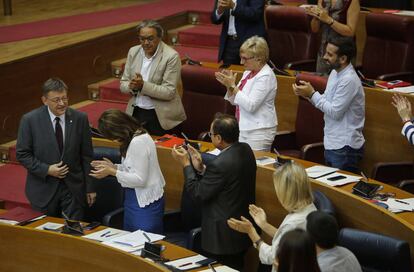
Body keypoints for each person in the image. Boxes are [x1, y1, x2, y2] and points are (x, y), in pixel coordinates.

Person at [171, 113, 256, 270]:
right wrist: (201, 168)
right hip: (242, 230)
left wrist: (186, 165)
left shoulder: (220, 164)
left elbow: (197, 194)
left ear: (218, 138)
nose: (209, 136)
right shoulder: (246, 150)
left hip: (223, 236)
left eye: (210, 134)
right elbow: (226, 181)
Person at [16, 78, 96, 220]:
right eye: (56, 100)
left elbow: (87, 156)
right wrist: (47, 169)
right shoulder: (30, 120)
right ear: (44, 100)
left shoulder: (80, 118)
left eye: (64, 98)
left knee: (73, 233)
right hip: (43, 190)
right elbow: (22, 154)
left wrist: (90, 188)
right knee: (46, 238)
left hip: (73, 189)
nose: (62, 103)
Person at [227, 161, 317, 271]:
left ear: (287, 192)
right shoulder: (309, 207)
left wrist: (251, 232)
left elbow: (273, 256)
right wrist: (264, 225)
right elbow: (286, 238)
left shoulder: (294, 222)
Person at [292, 37, 365, 174]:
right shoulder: (334, 73)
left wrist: (312, 93)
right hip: (332, 142)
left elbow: (335, 112)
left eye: (330, 54)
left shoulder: (349, 79)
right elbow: (326, 100)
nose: (324, 57)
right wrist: (307, 94)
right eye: (325, 52)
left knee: (340, 193)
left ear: (343, 59)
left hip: (345, 148)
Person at [89, 109, 165, 234]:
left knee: (142, 240)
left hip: (143, 203)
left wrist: (112, 172)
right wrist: (114, 167)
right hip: (133, 197)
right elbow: (133, 168)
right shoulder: (136, 136)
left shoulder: (137, 142)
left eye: (112, 137)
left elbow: (140, 179)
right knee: (130, 239)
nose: (113, 140)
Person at [120, 19, 186, 136]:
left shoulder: (171, 56)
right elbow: (123, 84)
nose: (145, 43)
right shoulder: (133, 51)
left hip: (161, 116)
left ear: (160, 37)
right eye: (142, 39)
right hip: (136, 112)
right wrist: (132, 86)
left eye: (150, 39)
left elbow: (169, 92)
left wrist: (143, 86)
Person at [215, 36, 277, 151]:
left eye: (245, 58)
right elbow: (235, 101)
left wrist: (233, 86)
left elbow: (251, 106)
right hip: (243, 127)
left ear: (258, 58)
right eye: (241, 58)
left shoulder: (266, 76)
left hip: (258, 132)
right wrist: (229, 86)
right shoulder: (248, 72)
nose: (241, 62)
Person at [305, 0, 360, 74]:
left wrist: (328, 20)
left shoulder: (352, 1)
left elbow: (350, 32)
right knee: (321, 83)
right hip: (324, 51)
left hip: (342, 54)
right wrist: (316, 17)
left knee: (341, 83)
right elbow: (315, 29)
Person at [211, 0, 266, 66]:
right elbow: (215, 19)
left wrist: (234, 6)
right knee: (229, 73)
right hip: (230, 43)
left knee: (250, 74)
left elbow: (255, 13)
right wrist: (219, 11)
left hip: (250, 43)